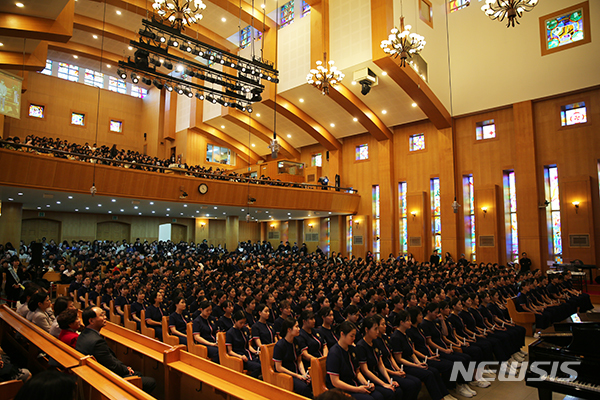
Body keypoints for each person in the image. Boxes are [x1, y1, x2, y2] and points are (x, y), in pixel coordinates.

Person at [76, 306, 156, 394]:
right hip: (104, 380)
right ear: (91, 321)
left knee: (138, 374)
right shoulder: (97, 342)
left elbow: (109, 360)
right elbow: (111, 365)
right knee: (150, 382)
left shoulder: (84, 334)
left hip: (96, 373)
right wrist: (126, 370)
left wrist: (125, 368)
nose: (105, 317)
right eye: (102, 315)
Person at [390, 311, 456, 400]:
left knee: (434, 371)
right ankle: (439, 398)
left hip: (413, 362)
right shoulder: (396, 337)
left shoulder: (405, 333)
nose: (410, 322)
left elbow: (411, 352)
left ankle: (444, 394)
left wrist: (419, 363)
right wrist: (416, 365)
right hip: (405, 366)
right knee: (428, 374)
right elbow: (399, 359)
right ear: (401, 322)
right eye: (408, 320)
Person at [326, 321, 379, 400]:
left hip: (354, 384)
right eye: (351, 336)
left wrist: (366, 384)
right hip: (341, 390)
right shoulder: (334, 353)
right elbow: (335, 382)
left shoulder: (352, 349)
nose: (354, 338)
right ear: (342, 334)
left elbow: (357, 372)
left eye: (354, 336)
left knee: (379, 395)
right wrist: (357, 389)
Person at [355, 316, 402, 400]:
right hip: (370, 379)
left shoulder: (375, 341)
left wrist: (389, 381)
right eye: (375, 329)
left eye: (377, 329)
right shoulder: (361, 346)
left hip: (378, 375)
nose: (377, 332)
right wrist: (383, 384)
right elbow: (365, 371)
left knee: (397, 389)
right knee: (388, 393)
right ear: (366, 330)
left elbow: (380, 364)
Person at [272, 317, 313, 398]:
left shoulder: (297, 341)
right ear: (289, 330)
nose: (299, 329)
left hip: (297, 373)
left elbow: (299, 361)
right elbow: (278, 367)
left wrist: (304, 374)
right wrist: (297, 376)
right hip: (287, 376)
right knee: (304, 388)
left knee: (313, 382)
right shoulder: (280, 345)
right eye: (296, 327)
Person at [225, 310, 261, 378]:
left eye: (244, 323)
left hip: (248, 354)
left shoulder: (245, 329)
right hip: (240, 357)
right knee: (257, 367)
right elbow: (230, 351)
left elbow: (248, 346)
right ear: (235, 320)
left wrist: (256, 352)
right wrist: (240, 356)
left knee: (264, 363)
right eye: (240, 323)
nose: (242, 325)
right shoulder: (230, 333)